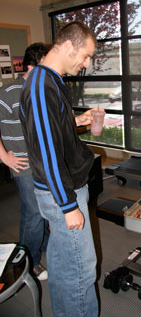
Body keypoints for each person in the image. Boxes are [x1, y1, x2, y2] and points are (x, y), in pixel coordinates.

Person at [19, 21, 98, 317]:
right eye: (85, 55)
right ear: (67, 47)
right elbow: (47, 152)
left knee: (65, 265)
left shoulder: (52, 81)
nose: (86, 63)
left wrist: (78, 120)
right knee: (79, 270)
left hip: (65, 188)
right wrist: (68, 205)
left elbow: (52, 131)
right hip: (62, 193)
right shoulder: (41, 85)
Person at [0, 43, 50, 281]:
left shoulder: (39, 89)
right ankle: (31, 262)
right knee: (35, 213)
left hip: (41, 162)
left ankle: (30, 248)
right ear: (31, 66)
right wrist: (4, 156)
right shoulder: (9, 91)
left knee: (33, 212)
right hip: (22, 165)